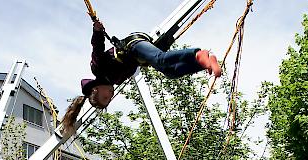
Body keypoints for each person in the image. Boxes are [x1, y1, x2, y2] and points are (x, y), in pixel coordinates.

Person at [61, 20, 222, 135]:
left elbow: (97, 48)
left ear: (96, 88)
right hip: (141, 56)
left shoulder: (98, 69)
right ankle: (203, 63)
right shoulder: (116, 80)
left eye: (105, 96)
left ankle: (198, 54)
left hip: (134, 44)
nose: (111, 95)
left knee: (160, 60)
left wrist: (97, 31)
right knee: (170, 72)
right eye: (109, 99)